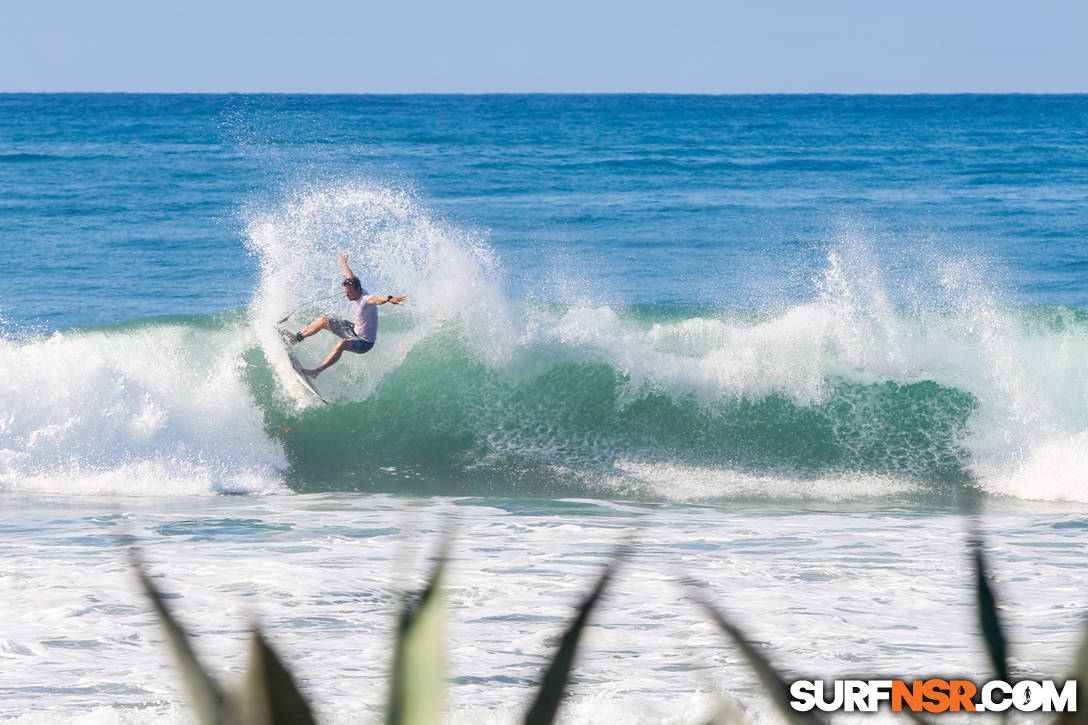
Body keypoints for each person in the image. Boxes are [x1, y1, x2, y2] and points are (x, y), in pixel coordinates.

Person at [288, 254, 407, 377]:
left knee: (342, 344)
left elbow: (378, 299)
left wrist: (389, 298)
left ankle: (315, 372)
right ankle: (296, 338)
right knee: (323, 320)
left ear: (358, 290)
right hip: (353, 329)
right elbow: (350, 276)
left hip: (364, 343)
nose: (347, 295)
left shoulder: (366, 299)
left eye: (349, 292)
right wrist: (344, 263)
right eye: (346, 292)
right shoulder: (354, 286)